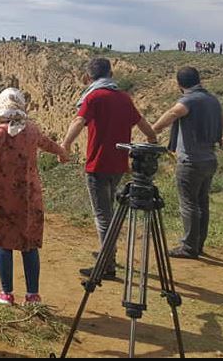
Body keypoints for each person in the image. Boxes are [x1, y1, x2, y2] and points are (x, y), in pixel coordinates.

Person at [0, 89, 69, 307]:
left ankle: (6, 293)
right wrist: (62, 153)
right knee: (29, 245)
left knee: (3, 244)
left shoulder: (0, 132)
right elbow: (49, 145)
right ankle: (32, 294)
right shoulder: (32, 130)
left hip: (4, 198)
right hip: (29, 198)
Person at [62, 58, 158, 280]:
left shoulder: (94, 96)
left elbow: (78, 122)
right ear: (111, 74)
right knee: (109, 210)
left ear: (89, 77)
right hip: (119, 164)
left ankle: (107, 264)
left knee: (102, 215)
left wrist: (65, 145)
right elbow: (141, 122)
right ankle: (109, 252)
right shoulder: (124, 98)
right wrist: (152, 138)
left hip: (98, 163)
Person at [152, 68, 223, 259]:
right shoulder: (212, 100)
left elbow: (173, 113)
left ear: (179, 84)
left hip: (191, 161)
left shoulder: (189, 100)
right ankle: (198, 244)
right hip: (210, 159)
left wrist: (152, 131)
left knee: (189, 204)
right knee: (202, 203)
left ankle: (188, 247)